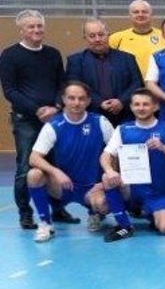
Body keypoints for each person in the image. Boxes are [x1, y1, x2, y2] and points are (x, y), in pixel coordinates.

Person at [1, 9, 75, 230]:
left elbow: (62, 84)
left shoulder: (53, 53)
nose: (36, 29)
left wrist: (56, 107)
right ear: (21, 30)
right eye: (31, 26)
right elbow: (10, 90)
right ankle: (25, 214)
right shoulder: (10, 55)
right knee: (25, 167)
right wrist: (36, 110)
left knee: (56, 164)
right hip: (26, 120)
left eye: (39, 26)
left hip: (54, 120)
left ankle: (58, 209)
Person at [26, 82, 112, 242]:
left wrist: (105, 180)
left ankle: (96, 214)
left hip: (92, 188)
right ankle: (45, 223)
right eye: (71, 98)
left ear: (88, 101)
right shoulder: (53, 125)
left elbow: (116, 153)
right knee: (34, 175)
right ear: (64, 99)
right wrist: (56, 172)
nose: (76, 103)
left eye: (81, 98)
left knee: (105, 205)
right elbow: (34, 157)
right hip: (64, 186)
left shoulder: (100, 122)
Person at [99, 90, 165, 242]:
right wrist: (110, 170)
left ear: (155, 106)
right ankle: (125, 226)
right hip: (131, 189)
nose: (141, 108)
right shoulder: (123, 129)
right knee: (107, 178)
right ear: (131, 107)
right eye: (137, 104)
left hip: (159, 193)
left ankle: (157, 213)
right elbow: (106, 155)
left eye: (146, 104)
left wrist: (163, 148)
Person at [66, 19, 142, 126]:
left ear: (108, 34)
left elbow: (137, 83)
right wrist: (99, 102)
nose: (97, 39)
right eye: (92, 36)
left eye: (101, 35)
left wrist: (121, 101)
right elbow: (74, 87)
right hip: (90, 117)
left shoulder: (127, 58)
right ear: (85, 38)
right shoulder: (75, 61)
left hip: (125, 118)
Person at [108, 0, 162, 78]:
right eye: (136, 12)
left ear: (151, 14)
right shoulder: (116, 39)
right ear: (130, 15)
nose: (140, 14)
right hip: (129, 84)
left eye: (144, 12)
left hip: (158, 84)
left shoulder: (164, 36)